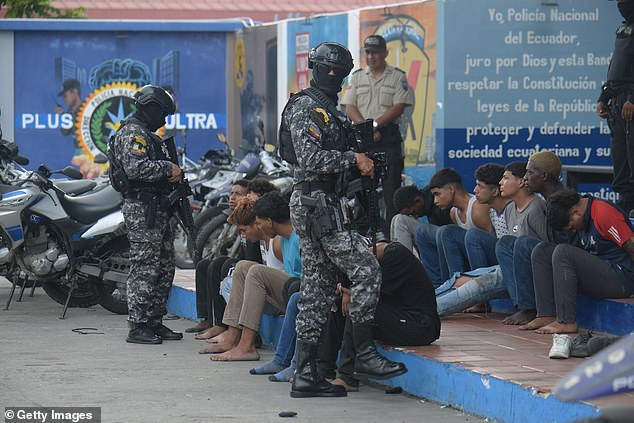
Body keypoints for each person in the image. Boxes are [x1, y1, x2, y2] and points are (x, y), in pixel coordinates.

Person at [283, 42, 406, 398]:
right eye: (330, 70)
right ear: (316, 69)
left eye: (341, 72)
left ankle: (305, 375)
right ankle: (364, 354)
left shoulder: (328, 110)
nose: (336, 77)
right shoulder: (307, 106)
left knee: (318, 290)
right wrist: (354, 159)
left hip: (323, 201)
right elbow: (308, 159)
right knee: (367, 269)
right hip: (316, 201)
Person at [109, 85, 182, 344]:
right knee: (146, 266)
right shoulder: (133, 133)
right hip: (143, 210)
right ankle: (138, 325)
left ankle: (154, 320)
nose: (164, 121)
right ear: (151, 109)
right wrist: (167, 168)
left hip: (157, 208)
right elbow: (134, 168)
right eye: (163, 114)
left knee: (163, 266)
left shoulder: (147, 135)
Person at [203, 193, 301, 361]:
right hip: (286, 293)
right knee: (242, 267)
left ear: (269, 221)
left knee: (256, 272)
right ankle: (233, 336)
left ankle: (247, 346)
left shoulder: (297, 239)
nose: (259, 227)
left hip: (298, 295)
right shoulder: (284, 239)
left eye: (259, 223)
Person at [521, 189, 634, 334]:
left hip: (622, 278)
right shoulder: (581, 217)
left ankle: (566, 321)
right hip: (600, 272)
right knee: (541, 251)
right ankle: (546, 314)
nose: (571, 230)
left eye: (570, 226)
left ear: (575, 212)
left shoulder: (603, 213)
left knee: (563, 252)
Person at [332, 241, 440, 391]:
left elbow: (365, 291)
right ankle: (324, 370)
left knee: (359, 305)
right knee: (336, 306)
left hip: (420, 325)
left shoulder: (396, 257)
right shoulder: (378, 259)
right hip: (399, 315)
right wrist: (345, 289)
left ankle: (347, 377)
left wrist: (345, 289)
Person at [341, 34, 414, 232]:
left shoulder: (397, 76)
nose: (371, 56)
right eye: (368, 52)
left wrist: (374, 126)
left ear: (385, 53)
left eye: (376, 52)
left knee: (392, 190)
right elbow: (349, 106)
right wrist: (367, 128)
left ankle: (392, 234)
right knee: (362, 190)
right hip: (363, 139)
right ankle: (370, 232)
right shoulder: (357, 77)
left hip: (388, 137)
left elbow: (398, 106)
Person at [498, 151, 565, 326]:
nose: (525, 178)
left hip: (560, 257)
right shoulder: (545, 199)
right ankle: (521, 304)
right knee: (505, 243)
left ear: (543, 176)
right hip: (545, 255)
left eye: (529, 173)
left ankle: (531, 308)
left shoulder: (557, 201)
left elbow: (552, 243)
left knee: (523, 242)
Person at [415, 168, 492, 287]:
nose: (435, 201)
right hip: (471, 259)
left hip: (488, 264)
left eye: (437, 194)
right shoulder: (453, 212)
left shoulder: (476, 208)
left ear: (451, 189)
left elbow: (491, 241)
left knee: (448, 232)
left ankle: (465, 289)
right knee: (443, 232)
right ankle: (444, 286)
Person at [597, 0, 634, 217]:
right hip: (617, 104)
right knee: (621, 161)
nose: (620, 3)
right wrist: (604, 96)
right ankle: (626, 208)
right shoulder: (623, 29)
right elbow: (616, 68)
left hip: (630, 104)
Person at [464, 163, 510, 271]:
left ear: (495, 191)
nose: (475, 190)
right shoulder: (491, 211)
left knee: (473, 235)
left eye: (480, 186)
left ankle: (480, 277)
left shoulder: (510, 210)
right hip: (498, 258)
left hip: (509, 263)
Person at [390, 184, 452, 254]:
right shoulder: (427, 202)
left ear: (418, 201)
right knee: (395, 219)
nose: (415, 215)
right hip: (441, 239)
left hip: (449, 238)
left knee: (401, 219)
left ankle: (404, 262)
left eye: (413, 212)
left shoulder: (437, 199)